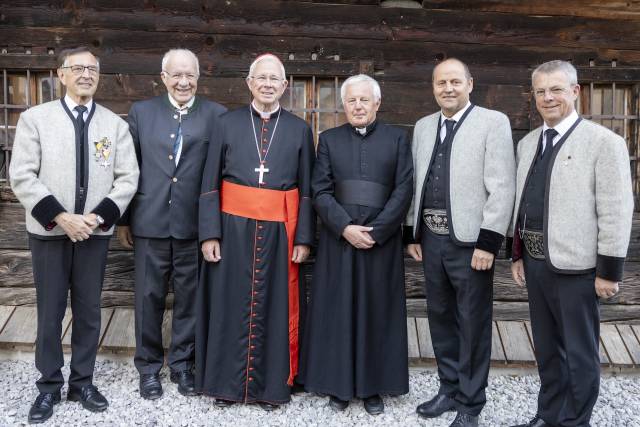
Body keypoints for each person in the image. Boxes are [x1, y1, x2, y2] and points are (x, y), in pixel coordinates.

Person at [9, 46, 139, 424]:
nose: (86, 75)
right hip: (50, 232)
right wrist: (61, 217)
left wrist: (96, 219)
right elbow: (22, 175)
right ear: (61, 74)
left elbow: (128, 178)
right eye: (77, 68)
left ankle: (82, 382)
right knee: (50, 313)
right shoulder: (36, 119)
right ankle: (49, 386)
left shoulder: (114, 125)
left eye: (92, 69)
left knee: (88, 311)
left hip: (93, 235)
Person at [509, 60, 633, 427]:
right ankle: (548, 415)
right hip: (534, 264)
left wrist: (609, 272)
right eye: (541, 91)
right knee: (547, 350)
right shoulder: (529, 143)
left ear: (575, 91)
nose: (548, 98)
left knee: (579, 353)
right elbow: (523, 201)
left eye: (556, 89)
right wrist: (516, 253)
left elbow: (616, 210)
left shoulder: (604, 143)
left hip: (578, 269)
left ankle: (575, 421)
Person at [195, 53, 315, 410]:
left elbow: (308, 189)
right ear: (249, 83)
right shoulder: (226, 124)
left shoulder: (299, 129)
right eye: (260, 78)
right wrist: (209, 234)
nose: (267, 84)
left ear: (284, 86)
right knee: (229, 304)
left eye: (274, 79)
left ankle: (271, 387)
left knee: (275, 307)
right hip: (232, 230)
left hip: (281, 234)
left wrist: (305, 238)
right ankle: (226, 385)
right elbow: (209, 182)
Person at [405, 58, 516, 427]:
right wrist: (412, 233)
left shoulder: (492, 122)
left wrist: (488, 243)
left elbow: (502, 186)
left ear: (470, 83)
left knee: (472, 322)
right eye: (441, 83)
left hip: (471, 244)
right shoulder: (423, 127)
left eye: (455, 81)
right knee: (439, 317)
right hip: (432, 240)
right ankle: (448, 388)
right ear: (433, 88)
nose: (448, 88)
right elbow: (417, 181)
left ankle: (471, 403)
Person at [299, 74, 412, 415]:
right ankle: (338, 386)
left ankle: (373, 387)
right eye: (352, 101)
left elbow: (404, 188)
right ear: (344, 105)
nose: (358, 106)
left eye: (365, 100)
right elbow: (319, 190)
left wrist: (378, 231)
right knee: (338, 312)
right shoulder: (330, 140)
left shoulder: (396, 138)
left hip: (382, 242)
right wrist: (345, 227)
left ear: (377, 103)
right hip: (340, 242)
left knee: (377, 312)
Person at [116, 49, 226, 400]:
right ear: (163, 77)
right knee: (148, 298)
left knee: (190, 299)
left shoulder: (216, 115)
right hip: (149, 222)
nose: (183, 81)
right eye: (176, 75)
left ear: (198, 77)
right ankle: (148, 368)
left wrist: (215, 226)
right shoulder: (141, 112)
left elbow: (221, 175)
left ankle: (182, 365)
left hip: (194, 225)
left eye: (189, 75)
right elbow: (126, 169)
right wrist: (124, 219)